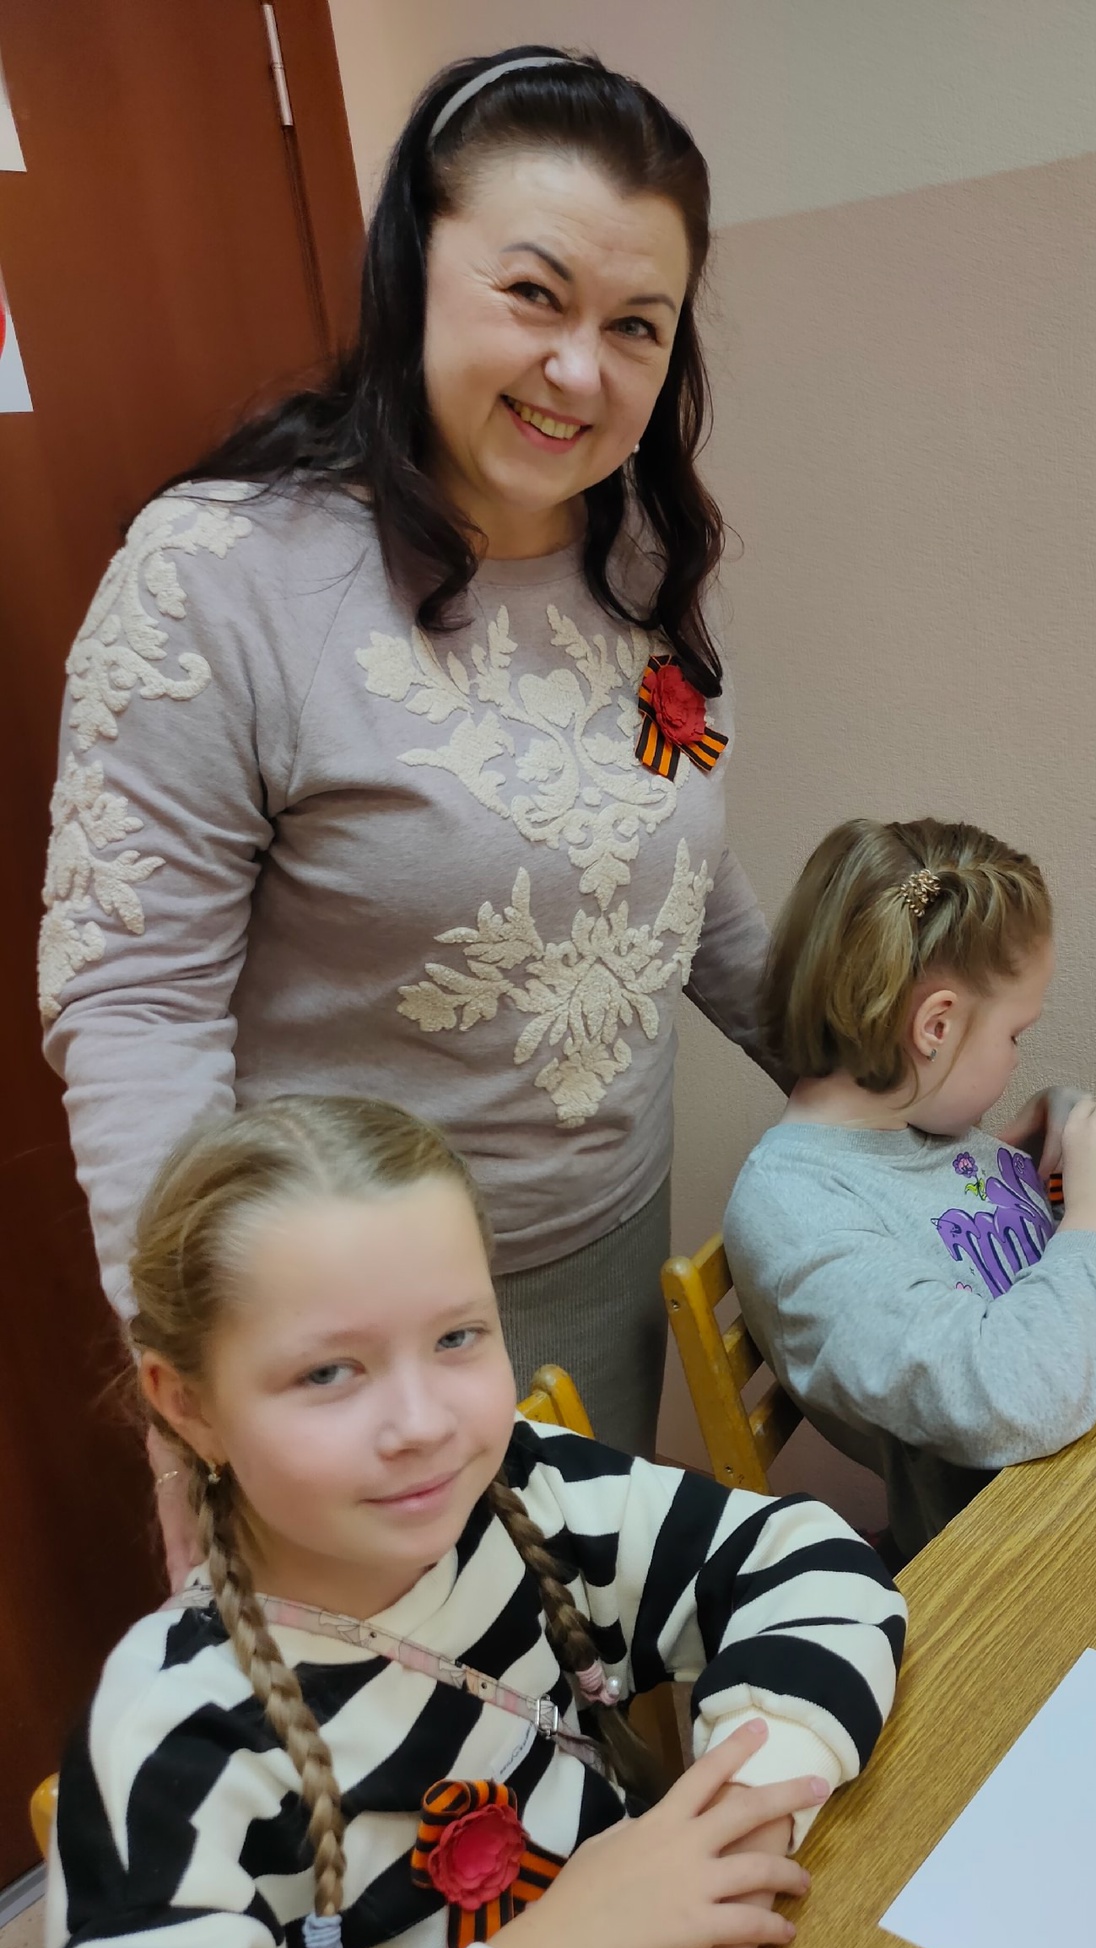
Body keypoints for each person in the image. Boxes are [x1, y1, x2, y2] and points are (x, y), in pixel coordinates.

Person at [38, 47, 779, 1520]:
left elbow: (681, 881)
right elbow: (138, 1009)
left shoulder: (637, 564)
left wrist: (880, 1071)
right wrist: (201, 1385)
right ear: (409, 275)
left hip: (605, 1254)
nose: (581, 370)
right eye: (534, 295)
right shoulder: (221, 577)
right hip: (349, 1332)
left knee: (576, 1646)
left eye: (636, 326)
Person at [43, 1096, 904, 1948]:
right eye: (327, 1372)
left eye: (457, 1336)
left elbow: (811, 1559)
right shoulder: (172, 1739)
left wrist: (744, 1817)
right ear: (188, 1406)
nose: (422, 1424)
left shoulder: (526, 1490)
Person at [724, 818, 1096, 1562]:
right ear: (936, 1027)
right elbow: (1012, 1394)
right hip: (1015, 1564)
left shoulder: (912, 1118)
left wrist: (1032, 1161)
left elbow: (952, 1241)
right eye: (1015, 1035)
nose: (1017, 1056)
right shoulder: (796, 1218)